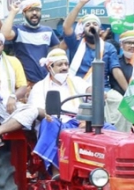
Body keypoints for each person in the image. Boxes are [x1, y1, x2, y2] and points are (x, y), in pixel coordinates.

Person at [28, 49, 116, 177]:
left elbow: (88, 89)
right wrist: (46, 113)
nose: (64, 68)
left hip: (80, 121)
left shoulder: (76, 81)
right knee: (50, 124)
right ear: (50, 67)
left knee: (109, 129)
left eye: (66, 64)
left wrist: (97, 92)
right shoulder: (39, 87)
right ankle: (56, 171)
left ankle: (106, 173)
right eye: (60, 65)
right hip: (58, 121)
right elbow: (37, 109)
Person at [62, 0, 129, 93]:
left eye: (95, 24)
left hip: (103, 92)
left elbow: (116, 71)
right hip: (77, 90)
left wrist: (129, 93)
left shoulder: (109, 47)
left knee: (117, 101)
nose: (91, 26)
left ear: (100, 29)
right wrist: (80, 4)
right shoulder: (76, 43)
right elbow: (66, 26)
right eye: (87, 25)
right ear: (83, 30)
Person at [0, 0, 61, 100]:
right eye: (30, 10)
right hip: (24, 84)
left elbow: (57, 53)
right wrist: (13, 13)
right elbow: (4, 35)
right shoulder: (18, 30)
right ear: (23, 13)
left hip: (45, 83)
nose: (34, 13)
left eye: (37, 10)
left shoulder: (48, 31)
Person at [105, 30, 134, 132]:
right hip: (117, 107)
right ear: (121, 45)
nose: (132, 46)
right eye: (129, 43)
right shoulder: (115, 63)